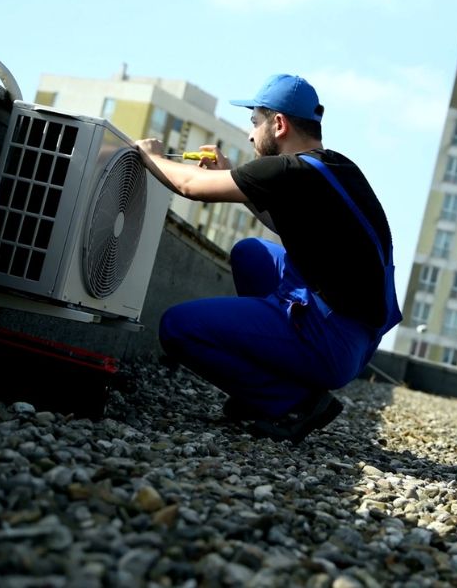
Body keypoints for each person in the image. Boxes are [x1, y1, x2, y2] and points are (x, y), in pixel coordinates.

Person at [135, 73, 402, 444]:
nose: (250, 133)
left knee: (177, 327)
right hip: (357, 338)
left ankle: (293, 402)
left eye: (254, 121)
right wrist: (233, 177)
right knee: (250, 253)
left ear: (278, 124)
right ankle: (264, 379)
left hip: (329, 339)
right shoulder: (336, 168)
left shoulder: (285, 171)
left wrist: (151, 157)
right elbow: (293, 226)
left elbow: (189, 186)